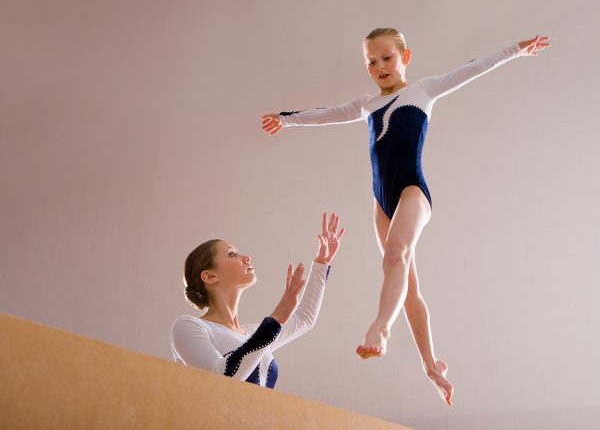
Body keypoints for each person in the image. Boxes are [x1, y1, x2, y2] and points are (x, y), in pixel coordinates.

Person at [262, 29, 550, 405]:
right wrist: (286, 120)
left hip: (413, 190)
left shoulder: (424, 90)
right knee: (408, 284)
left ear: (405, 57)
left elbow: (474, 68)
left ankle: (381, 327)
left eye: (387, 58)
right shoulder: (365, 105)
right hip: (382, 201)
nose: (380, 66)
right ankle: (430, 364)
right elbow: (325, 115)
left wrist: (515, 50)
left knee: (395, 256)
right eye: (371, 61)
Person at [170, 212, 345, 388]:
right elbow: (220, 378)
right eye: (232, 254)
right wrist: (275, 320)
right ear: (209, 276)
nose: (246, 257)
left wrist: (322, 263)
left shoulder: (252, 333)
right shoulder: (188, 326)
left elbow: (304, 319)